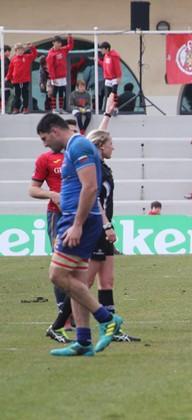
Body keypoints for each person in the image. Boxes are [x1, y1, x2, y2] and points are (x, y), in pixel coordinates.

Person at [36, 113, 123, 356]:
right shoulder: (76, 146)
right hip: (76, 218)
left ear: (54, 130)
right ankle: (84, 341)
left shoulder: (79, 146)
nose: (44, 144)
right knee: (76, 278)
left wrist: (77, 224)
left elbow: (91, 186)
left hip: (78, 220)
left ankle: (107, 318)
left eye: (44, 138)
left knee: (57, 274)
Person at [85, 98, 139, 343]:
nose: (113, 147)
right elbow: (94, 199)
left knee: (107, 281)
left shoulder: (100, 163)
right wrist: (107, 225)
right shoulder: (93, 166)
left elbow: (99, 134)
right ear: (100, 147)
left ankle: (110, 330)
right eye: (110, 144)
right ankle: (61, 323)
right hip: (96, 228)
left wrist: (107, 113)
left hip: (103, 228)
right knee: (83, 282)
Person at [30, 116, 71, 343]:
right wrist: (52, 194)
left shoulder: (77, 152)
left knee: (78, 266)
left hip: (78, 213)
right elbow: (32, 189)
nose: (45, 143)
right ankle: (63, 316)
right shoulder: (45, 159)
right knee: (59, 262)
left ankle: (71, 314)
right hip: (57, 214)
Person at [6, 43, 37, 114]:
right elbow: (10, 70)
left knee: (25, 95)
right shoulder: (13, 59)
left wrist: (32, 47)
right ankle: (16, 108)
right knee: (17, 95)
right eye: (19, 50)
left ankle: (25, 108)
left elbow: (34, 55)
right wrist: (7, 78)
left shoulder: (27, 57)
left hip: (25, 80)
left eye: (22, 50)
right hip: (16, 81)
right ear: (16, 51)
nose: (20, 51)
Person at [46, 34, 73, 113]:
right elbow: (50, 67)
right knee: (54, 93)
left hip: (63, 76)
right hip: (55, 77)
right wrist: (53, 78)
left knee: (62, 92)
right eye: (57, 42)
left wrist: (69, 37)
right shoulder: (51, 54)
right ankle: (54, 109)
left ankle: (61, 109)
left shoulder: (63, 50)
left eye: (60, 43)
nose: (59, 44)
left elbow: (70, 46)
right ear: (53, 43)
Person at [99, 41, 121, 109]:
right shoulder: (106, 56)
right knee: (108, 94)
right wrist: (98, 61)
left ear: (107, 49)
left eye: (102, 49)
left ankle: (115, 107)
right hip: (108, 78)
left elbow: (117, 67)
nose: (101, 50)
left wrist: (118, 77)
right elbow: (105, 65)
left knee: (114, 93)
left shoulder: (114, 56)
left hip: (114, 77)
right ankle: (109, 107)